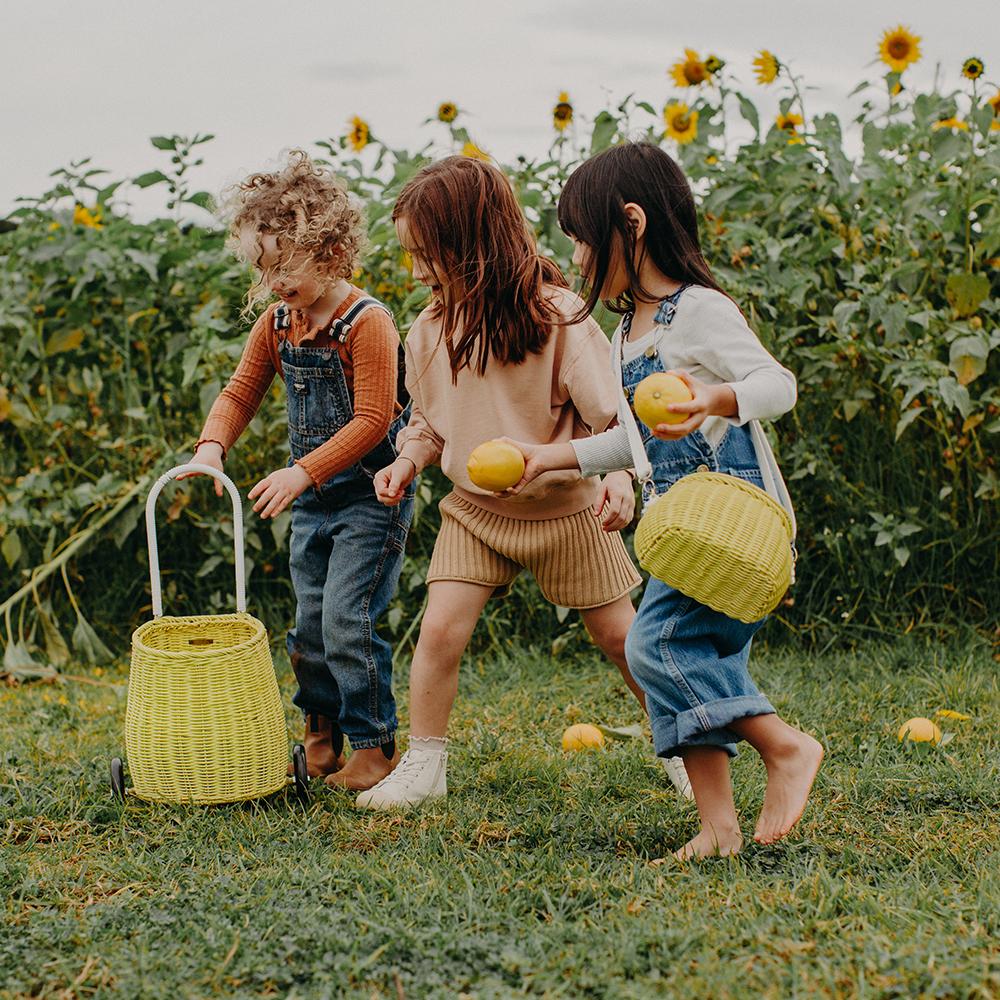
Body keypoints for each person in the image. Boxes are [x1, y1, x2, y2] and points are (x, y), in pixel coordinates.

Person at [502, 142, 823, 859]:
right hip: (679, 527)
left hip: (732, 523)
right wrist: (551, 457)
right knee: (700, 658)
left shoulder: (699, 313)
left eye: (584, 237)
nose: (579, 255)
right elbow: (637, 446)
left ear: (633, 223)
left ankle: (786, 746)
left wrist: (714, 396)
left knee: (655, 646)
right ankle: (719, 827)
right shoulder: (624, 334)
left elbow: (778, 386)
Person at [356, 155, 690, 810]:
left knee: (623, 640)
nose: (418, 271)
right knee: (440, 633)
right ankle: (426, 766)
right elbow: (429, 418)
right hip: (475, 513)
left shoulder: (557, 318)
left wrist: (619, 476)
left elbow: (614, 417)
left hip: (568, 512)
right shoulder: (430, 328)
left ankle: (682, 744)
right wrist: (407, 459)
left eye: (428, 255)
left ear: (473, 247)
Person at [183, 151, 413, 792]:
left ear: (332, 252)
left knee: (347, 619)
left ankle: (373, 748)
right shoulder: (279, 324)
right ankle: (320, 742)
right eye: (265, 268)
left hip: (373, 495)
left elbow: (372, 420)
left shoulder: (368, 325)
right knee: (309, 624)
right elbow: (238, 393)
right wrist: (211, 448)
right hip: (314, 498)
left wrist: (301, 473)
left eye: (285, 265)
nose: (274, 281)